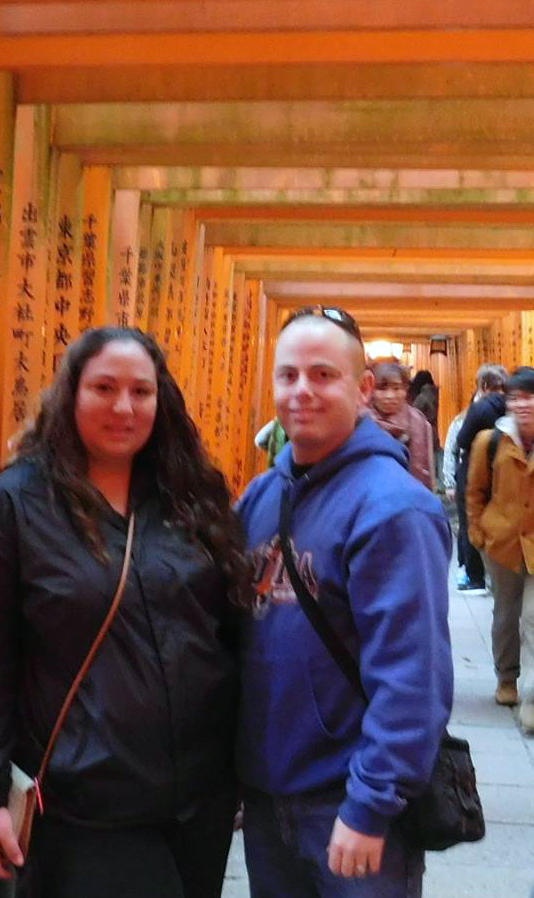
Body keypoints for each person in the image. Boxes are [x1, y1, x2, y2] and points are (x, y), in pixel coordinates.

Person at [0, 327, 250, 898]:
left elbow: (228, 631)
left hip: (200, 800)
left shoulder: (190, 498)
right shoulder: (13, 505)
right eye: (104, 388)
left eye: (141, 391)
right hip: (86, 806)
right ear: (71, 394)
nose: (123, 407)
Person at [236, 307, 453, 898]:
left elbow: (413, 674)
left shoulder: (394, 508)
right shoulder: (262, 496)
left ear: (361, 389)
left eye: (323, 375)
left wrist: (371, 803)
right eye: (288, 375)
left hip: (347, 801)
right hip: (268, 799)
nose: (301, 391)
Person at [464, 366, 534, 727]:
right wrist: (478, 534)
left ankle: (532, 698)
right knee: (507, 614)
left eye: (530, 397)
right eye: (516, 398)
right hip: (502, 543)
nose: (523, 405)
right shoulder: (490, 441)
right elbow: (474, 491)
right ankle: (507, 677)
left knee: (533, 618)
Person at [454, 365, 517, 590]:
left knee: (471, 519)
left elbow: (462, 440)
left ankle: (475, 575)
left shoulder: (480, 408)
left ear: (483, 385)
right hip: (505, 473)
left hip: (476, 471)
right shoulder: (513, 407)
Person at [366, 362, 434, 487]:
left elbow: (427, 470)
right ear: (370, 389)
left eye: (397, 388)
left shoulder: (418, 422)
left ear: (405, 389)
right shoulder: (359, 422)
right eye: (382, 389)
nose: (390, 396)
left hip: (410, 493)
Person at [407, 369, 441, 463]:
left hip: (423, 437)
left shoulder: (423, 397)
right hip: (433, 435)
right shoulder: (433, 393)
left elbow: (413, 415)